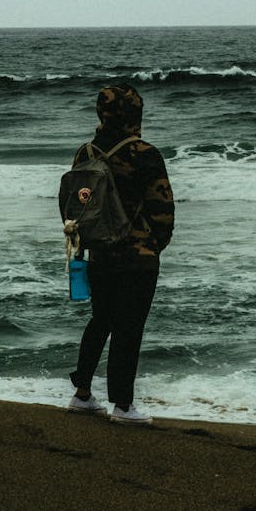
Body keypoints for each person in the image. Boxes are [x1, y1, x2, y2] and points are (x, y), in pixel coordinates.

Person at [61, 82, 174, 423]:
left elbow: (75, 203)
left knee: (101, 321)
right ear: (135, 114)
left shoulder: (86, 153)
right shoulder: (144, 153)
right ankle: (123, 406)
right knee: (129, 328)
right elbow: (163, 210)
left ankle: (82, 394)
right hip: (137, 257)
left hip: (98, 253)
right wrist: (153, 245)